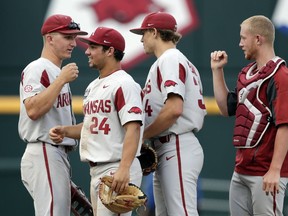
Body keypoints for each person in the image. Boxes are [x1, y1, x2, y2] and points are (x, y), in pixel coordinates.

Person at [49, 27, 144, 216]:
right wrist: (66, 131)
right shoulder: (93, 86)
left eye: (93, 47)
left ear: (110, 51)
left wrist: (124, 169)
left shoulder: (124, 84)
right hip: (97, 171)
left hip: (116, 168)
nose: (86, 51)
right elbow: (94, 126)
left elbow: (133, 128)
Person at [130, 12, 207, 215]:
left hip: (176, 143)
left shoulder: (170, 58)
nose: (141, 38)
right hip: (168, 146)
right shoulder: (173, 60)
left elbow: (174, 109)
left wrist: (143, 135)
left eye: (144, 33)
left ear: (154, 32)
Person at [210, 15, 288, 215]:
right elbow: (227, 109)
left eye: (244, 38)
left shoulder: (280, 76)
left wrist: (275, 170)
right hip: (241, 169)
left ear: (258, 39)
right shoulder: (247, 74)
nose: (240, 43)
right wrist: (217, 71)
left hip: (265, 173)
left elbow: (285, 125)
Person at [18, 14, 87, 216]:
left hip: (56, 154)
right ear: (49, 38)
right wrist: (61, 80)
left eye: (74, 37)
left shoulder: (55, 70)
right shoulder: (38, 68)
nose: (74, 43)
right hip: (44, 151)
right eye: (67, 37)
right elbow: (32, 110)